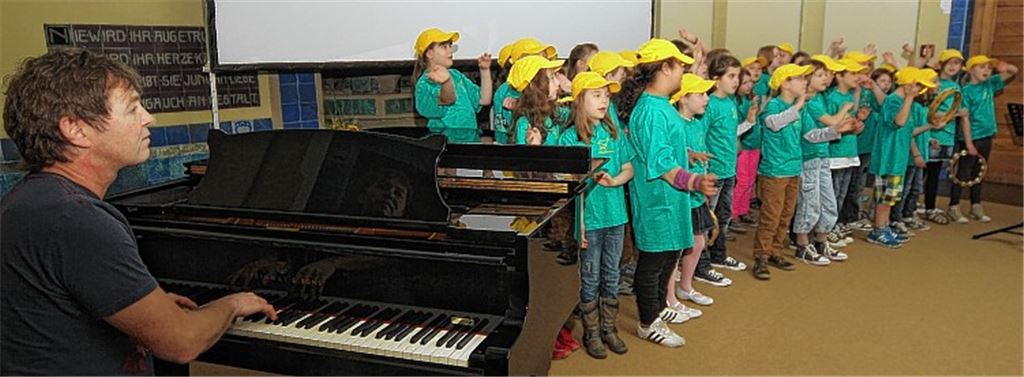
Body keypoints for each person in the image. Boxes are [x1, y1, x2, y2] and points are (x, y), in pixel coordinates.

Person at [1, 48, 277, 375]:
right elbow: (182, 343)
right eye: (133, 107)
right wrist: (231, 303)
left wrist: (145, 308)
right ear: (75, 128)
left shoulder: (30, 200)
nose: (149, 118)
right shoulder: (77, 219)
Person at [617, 38, 715, 347]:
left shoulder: (661, 106)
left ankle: (658, 310)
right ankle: (648, 322)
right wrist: (695, 182)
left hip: (672, 201)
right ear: (664, 68)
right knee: (652, 264)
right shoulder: (650, 111)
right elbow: (662, 164)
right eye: (680, 68)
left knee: (668, 258)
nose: (682, 75)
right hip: (658, 201)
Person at [557, 72, 634, 359]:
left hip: (616, 218)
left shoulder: (612, 133)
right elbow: (569, 189)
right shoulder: (569, 139)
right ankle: (591, 333)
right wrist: (581, 227)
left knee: (611, 275)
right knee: (590, 277)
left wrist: (615, 180)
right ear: (579, 101)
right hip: (590, 222)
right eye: (597, 95)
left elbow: (629, 168)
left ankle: (608, 329)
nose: (604, 101)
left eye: (607, 96)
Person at [750, 64, 811, 280]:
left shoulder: (796, 108)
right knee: (771, 216)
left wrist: (836, 130)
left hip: (793, 169)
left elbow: (808, 135)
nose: (805, 82)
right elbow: (774, 124)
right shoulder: (774, 105)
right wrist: (800, 103)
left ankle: (775, 250)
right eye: (800, 78)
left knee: (786, 215)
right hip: (775, 171)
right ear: (785, 83)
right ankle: (762, 257)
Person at [866, 67, 933, 248]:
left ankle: (884, 226)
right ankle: (878, 230)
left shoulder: (903, 102)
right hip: (888, 158)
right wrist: (909, 98)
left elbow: (909, 131)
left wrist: (930, 125)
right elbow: (898, 122)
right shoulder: (894, 101)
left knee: (892, 196)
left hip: (898, 158)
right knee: (885, 197)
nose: (920, 90)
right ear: (908, 84)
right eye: (917, 85)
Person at [946, 55, 1018, 223]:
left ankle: (976, 204)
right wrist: (969, 143)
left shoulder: (990, 84)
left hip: (987, 135)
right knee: (963, 172)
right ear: (971, 70)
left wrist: (1003, 65)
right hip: (971, 136)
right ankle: (954, 205)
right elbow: (965, 119)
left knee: (980, 171)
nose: (986, 71)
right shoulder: (965, 92)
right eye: (982, 67)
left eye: (988, 68)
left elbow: (1014, 71)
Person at [413, 27, 493, 143]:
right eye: (444, 47)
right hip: (448, 147)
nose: (450, 51)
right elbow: (448, 100)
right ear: (429, 53)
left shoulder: (456, 75)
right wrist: (446, 83)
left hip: (471, 142)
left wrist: (485, 70)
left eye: (450, 46)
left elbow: (484, 100)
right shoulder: (425, 83)